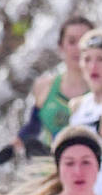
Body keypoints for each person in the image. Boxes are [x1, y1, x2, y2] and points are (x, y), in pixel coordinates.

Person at [22, 16, 95, 153]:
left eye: (85, 41)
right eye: (72, 41)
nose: (78, 48)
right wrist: (19, 144)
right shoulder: (44, 86)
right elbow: (33, 127)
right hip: (51, 168)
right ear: (61, 46)